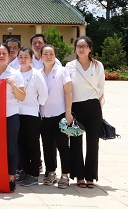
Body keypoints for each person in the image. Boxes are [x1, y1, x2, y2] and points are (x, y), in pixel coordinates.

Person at [0, 43, 25, 192]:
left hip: (10, 115)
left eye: (4, 53)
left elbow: (22, 97)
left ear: (9, 56)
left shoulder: (15, 74)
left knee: (11, 147)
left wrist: (13, 85)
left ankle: (10, 177)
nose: (1, 56)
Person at [66, 36, 105, 189]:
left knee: (93, 143)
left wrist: (98, 107)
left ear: (90, 49)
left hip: (93, 107)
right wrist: (68, 111)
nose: (81, 49)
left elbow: (101, 88)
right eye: (79, 46)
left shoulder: (98, 65)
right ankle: (79, 176)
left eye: (84, 46)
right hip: (76, 107)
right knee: (76, 142)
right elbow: (67, 90)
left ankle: (90, 177)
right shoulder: (70, 66)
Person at [39, 44, 73, 189]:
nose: (48, 56)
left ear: (55, 55)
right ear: (41, 56)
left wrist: (68, 112)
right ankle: (51, 172)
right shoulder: (38, 73)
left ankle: (65, 175)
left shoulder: (62, 71)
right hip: (44, 115)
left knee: (63, 146)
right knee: (47, 146)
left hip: (60, 115)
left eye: (51, 54)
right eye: (45, 54)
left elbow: (68, 92)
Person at [16, 47, 48, 187]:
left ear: (31, 59)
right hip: (17, 113)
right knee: (21, 144)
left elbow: (44, 94)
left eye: (26, 57)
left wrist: (36, 105)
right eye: (20, 57)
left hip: (32, 114)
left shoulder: (36, 74)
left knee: (32, 145)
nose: (23, 59)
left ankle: (34, 174)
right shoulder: (15, 73)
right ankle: (24, 171)